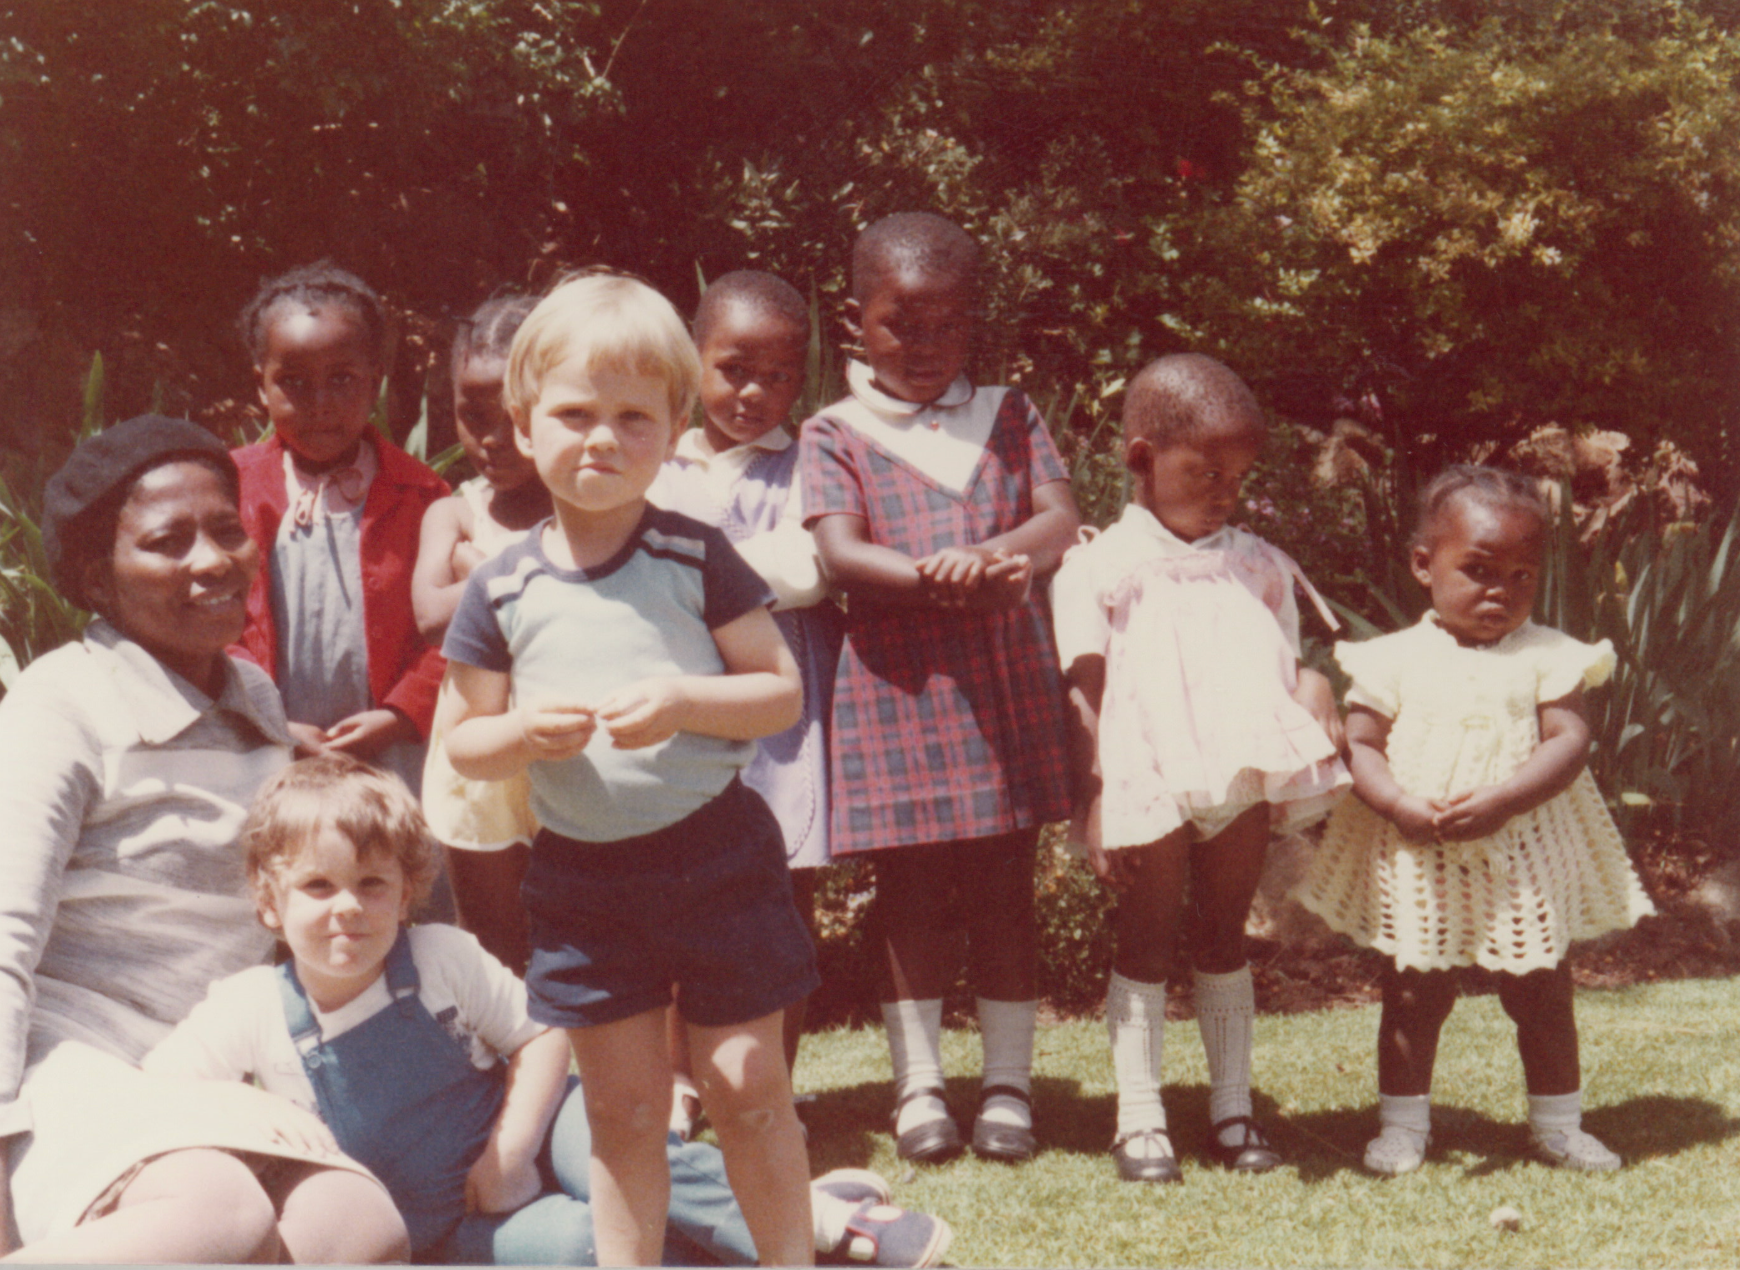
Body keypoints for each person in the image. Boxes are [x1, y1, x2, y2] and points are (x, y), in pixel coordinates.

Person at [145, 753, 952, 1267]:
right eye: (317, 888)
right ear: (267, 901)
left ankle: (832, 1232)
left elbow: (541, 1038)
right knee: (576, 1246)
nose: (346, 910)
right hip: (440, 1226)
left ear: (407, 892)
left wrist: (509, 1150)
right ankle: (758, 1232)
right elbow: (155, 1090)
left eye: (371, 885)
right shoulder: (249, 1008)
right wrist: (242, 1110)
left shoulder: (438, 960)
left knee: (615, 1152)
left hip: (532, 1124)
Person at [440, 271, 819, 1265]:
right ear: (524, 427)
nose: (601, 438)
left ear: (673, 425)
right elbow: (464, 742)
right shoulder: (502, 586)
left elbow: (779, 691)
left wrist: (685, 700)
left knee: (747, 1087)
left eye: (632, 417)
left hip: (718, 857)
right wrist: (522, 730)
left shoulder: (698, 556)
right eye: (573, 414)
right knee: (621, 1104)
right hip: (586, 876)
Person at [0, 415, 407, 1262]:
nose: (213, 560)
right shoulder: (59, 706)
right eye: (167, 542)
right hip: (73, 1066)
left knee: (358, 1230)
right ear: (93, 578)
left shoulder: (250, 691)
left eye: (226, 530)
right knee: (216, 1216)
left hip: (207, 1068)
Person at [799, 212, 1081, 1165]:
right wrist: (938, 576)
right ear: (854, 321)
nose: (923, 347)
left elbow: (1058, 519)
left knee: (1005, 889)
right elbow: (838, 551)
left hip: (1003, 684)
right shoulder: (834, 430)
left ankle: (1008, 1087)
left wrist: (992, 556)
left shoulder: (1008, 413)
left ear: (976, 326)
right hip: (899, 685)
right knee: (911, 895)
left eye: (947, 325)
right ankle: (919, 1088)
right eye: (899, 324)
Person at [1293, 465, 1654, 1175]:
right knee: (1412, 992)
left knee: (1544, 992)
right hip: (1418, 854)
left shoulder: (1551, 656)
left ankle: (1557, 1123)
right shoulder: (1390, 659)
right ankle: (1403, 1126)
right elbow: (1359, 746)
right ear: (1425, 565)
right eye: (1480, 569)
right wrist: (1398, 803)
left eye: (1522, 576)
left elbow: (1569, 741)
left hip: (1523, 855)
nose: (1501, 590)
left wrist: (1503, 800)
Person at [1050, 354, 1350, 1184]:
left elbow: (1286, 662)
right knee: (1145, 940)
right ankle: (1139, 1120)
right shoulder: (1099, 567)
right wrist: (1098, 799)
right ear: (1142, 458)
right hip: (1144, 778)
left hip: (1239, 779)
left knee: (1223, 938)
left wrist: (1316, 679)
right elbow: (1086, 692)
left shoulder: (1256, 562)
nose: (1224, 492)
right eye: (1204, 472)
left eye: (1239, 477)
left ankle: (1232, 1109)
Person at [650, 270, 844, 1133]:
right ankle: (679, 1085)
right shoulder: (656, 460)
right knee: (670, 895)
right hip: (680, 714)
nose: (755, 392)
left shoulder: (809, 465)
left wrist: (695, 573)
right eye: (733, 368)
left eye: (778, 373)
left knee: (779, 895)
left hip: (781, 722)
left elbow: (810, 572)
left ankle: (776, 1085)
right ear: (693, 363)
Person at [231, 261, 449, 803]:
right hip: (264, 744)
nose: (321, 403)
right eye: (295, 383)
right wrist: (267, 716)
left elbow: (457, 627)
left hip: (391, 756)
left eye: (343, 380)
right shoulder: (226, 488)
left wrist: (401, 714)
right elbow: (209, 619)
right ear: (261, 385)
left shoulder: (424, 497)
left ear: (375, 381)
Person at [413, 294, 548, 973]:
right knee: (495, 942)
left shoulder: (595, 508)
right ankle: (514, 1076)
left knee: (607, 921)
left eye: (514, 415)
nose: (492, 437)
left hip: (569, 739)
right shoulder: (454, 511)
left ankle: (651, 1079)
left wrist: (483, 571)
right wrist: (529, 570)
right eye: (472, 414)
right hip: (477, 745)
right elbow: (433, 615)